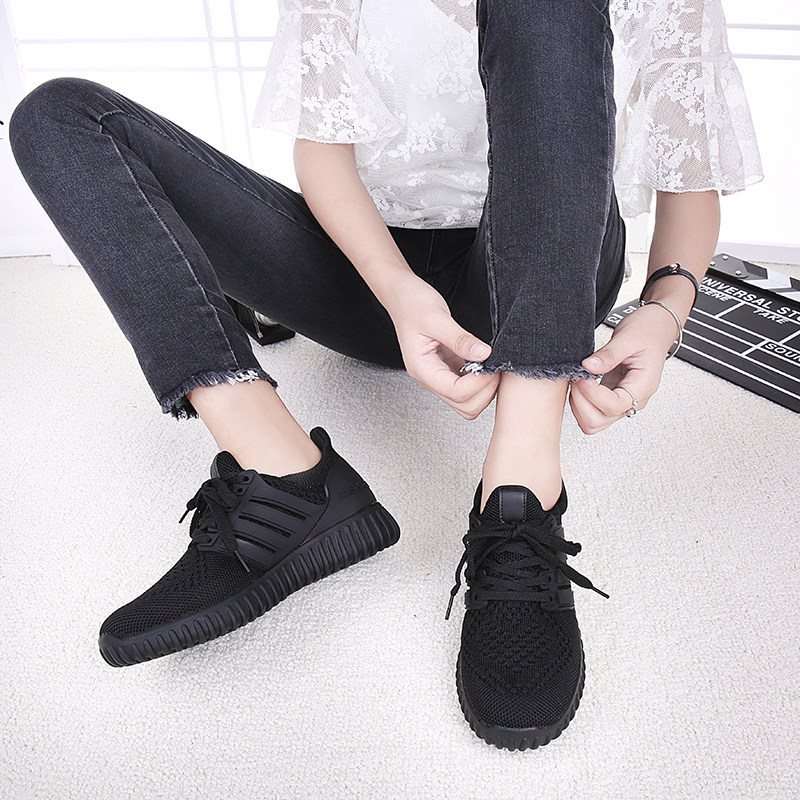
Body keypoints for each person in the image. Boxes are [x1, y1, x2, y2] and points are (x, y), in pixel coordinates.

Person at [8, 0, 761, 751]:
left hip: (553, 273)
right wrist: (398, 291)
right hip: (378, 274)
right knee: (59, 117)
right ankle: (287, 478)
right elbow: (324, 156)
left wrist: (665, 308)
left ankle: (521, 496)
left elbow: (687, 173)